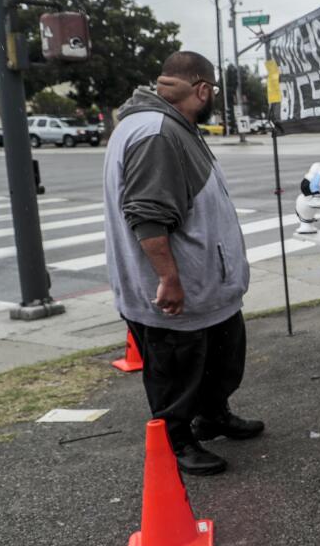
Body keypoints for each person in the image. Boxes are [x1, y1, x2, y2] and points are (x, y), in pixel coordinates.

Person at [103, 51, 262, 476]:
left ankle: (213, 415)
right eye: (213, 93)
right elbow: (148, 216)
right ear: (203, 89)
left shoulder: (169, 124)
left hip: (209, 288)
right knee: (176, 374)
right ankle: (177, 440)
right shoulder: (156, 132)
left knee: (221, 360)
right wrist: (169, 279)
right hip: (179, 291)